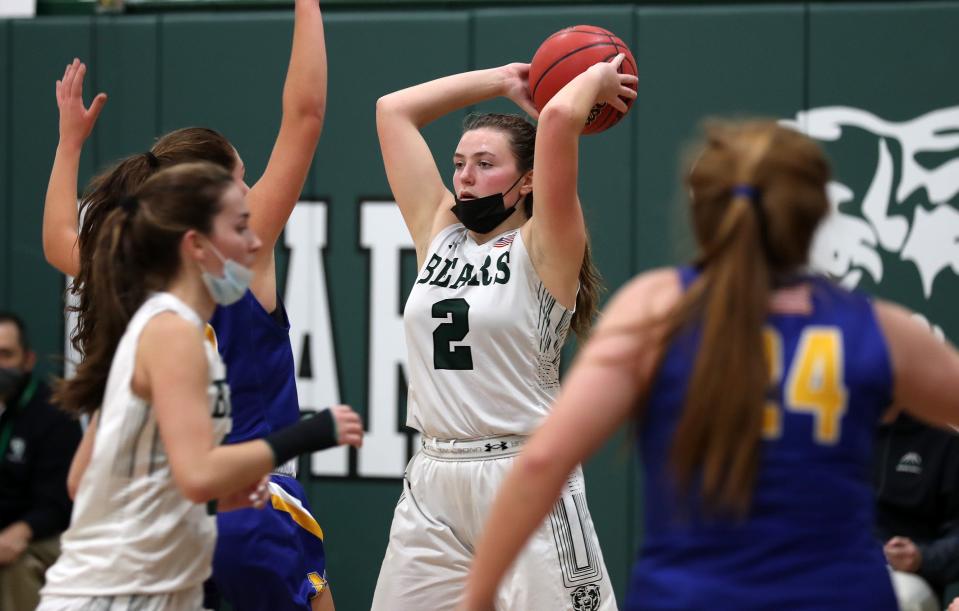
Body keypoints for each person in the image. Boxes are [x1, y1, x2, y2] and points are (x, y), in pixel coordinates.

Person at [461, 119, 959, 610]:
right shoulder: (877, 328)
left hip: (690, 596)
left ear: (700, 209)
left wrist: (478, 597)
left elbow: (544, 462)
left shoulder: (656, 311)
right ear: (818, 215)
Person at [41, 3, 360, 609]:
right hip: (246, 500)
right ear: (209, 203)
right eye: (240, 179)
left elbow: (59, 239)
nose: (250, 194)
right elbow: (305, 116)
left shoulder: (127, 264)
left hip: (164, 520)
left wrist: (68, 145)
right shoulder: (237, 250)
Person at [370, 54, 636, 610]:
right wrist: (501, 81)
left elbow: (561, 118)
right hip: (433, 479)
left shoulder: (548, 244)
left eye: (485, 163)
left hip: (524, 474)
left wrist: (594, 78)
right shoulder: (439, 232)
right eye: (459, 163)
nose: (465, 178)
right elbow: (392, 112)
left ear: (530, 177)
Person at [37, 162, 342, 611]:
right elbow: (197, 475)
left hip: (156, 584)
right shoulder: (171, 333)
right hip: (119, 590)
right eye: (241, 227)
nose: (257, 241)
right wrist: (311, 434)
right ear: (196, 245)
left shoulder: (185, 335)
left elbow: (82, 478)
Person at [0, 312, 81, 611]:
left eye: (6, 355)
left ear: (28, 360)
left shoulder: (53, 413)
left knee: (15, 565)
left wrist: (19, 533)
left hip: (43, 533)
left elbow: (61, 501)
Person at [874, 411, 959, 611]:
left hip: (906, 574)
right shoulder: (838, 433)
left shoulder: (946, 441)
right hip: (839, 560)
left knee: (903, 596)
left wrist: (921, 557)